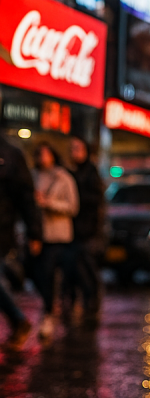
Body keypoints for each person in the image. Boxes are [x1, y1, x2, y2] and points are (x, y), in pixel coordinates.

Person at [32, 143, 80, 339]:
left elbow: (72, 206)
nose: (42, 157)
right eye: (39, 153)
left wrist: (49, 203)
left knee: (51, 273)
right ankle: (51, 306)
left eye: (45, 153)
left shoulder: (63, 177)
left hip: (58, 235)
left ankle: (51, 310)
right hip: (38, 234)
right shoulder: (32, 176)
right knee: (37, 273)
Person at [0, 134, 43, 348]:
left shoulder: (10, 154)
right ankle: (18, 320)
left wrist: (34, 232)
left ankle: (18, 319)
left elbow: (26, 197)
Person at [69, 136, 104, 317]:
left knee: (86, 264)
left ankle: (92, 297)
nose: (73, 153)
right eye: (72, 149)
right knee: (74, 265)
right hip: (74, 228)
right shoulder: (72, 172)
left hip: (88, 229)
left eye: (77, 149)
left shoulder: (91, 173)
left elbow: (97, 200)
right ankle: (80, 298)